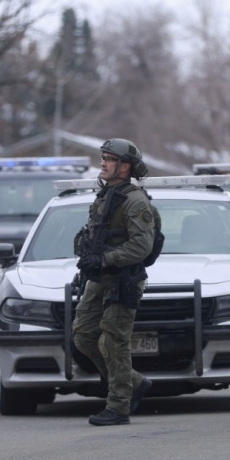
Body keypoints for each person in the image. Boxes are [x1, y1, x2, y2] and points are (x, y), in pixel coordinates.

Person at [72, 138, 156, 426]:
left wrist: (105, 259)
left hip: (124, 279)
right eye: (103, 157)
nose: (103, 163)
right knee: (83, 335)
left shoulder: (134, 200)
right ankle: (132, 382)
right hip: (100, 278)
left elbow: (141, 247)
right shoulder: (106, 195)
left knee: (113, 340)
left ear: (125, 166)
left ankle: (119, 406)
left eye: (109, 158)